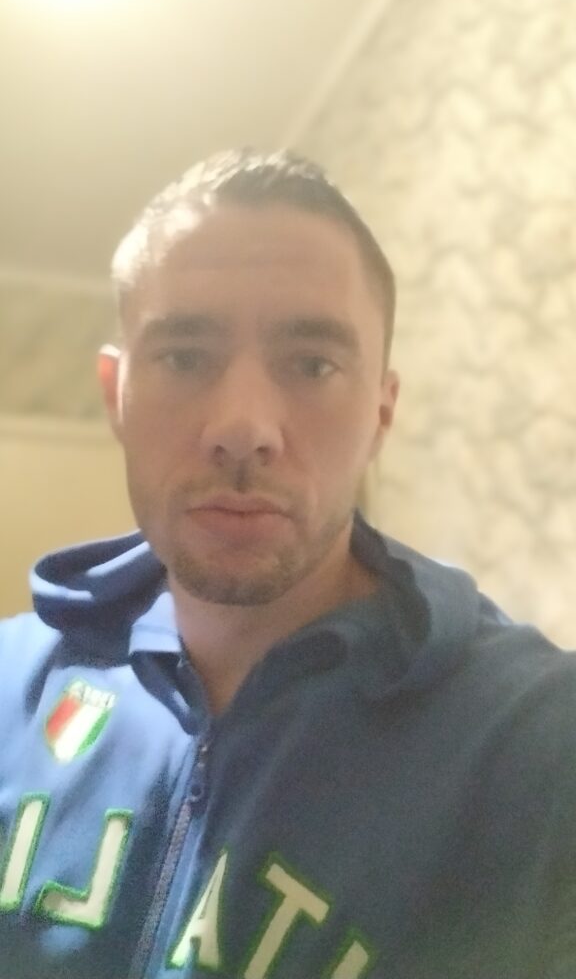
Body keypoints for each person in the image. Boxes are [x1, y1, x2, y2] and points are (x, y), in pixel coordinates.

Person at [1, 149, 575, 979]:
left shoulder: (535, 747)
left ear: (381, 412)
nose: (243, 427)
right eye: (184, 357)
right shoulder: (12, 683)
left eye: (313, 365)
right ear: (115, 393)